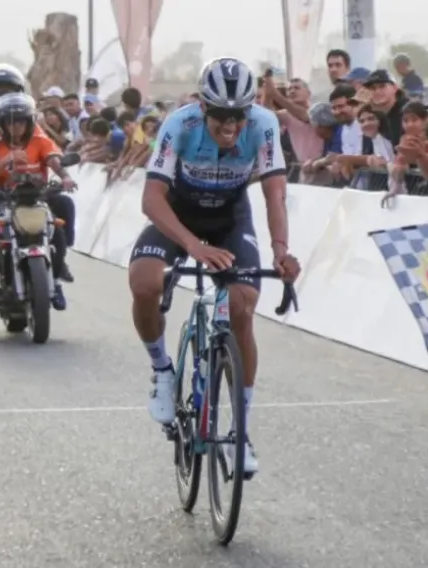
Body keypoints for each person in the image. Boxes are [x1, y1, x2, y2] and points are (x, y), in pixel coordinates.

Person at [128, 57, 301, 476]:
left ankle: (240, 433)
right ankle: (163, 371)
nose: (231, 125)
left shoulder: (262, 125)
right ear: (203, 108)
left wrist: (281, 250)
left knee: (242, 307)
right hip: (178, 215)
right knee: (145, 283)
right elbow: (151, 201)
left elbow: (275, 195)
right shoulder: (179, 125)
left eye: (238, 115)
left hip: (230, 218)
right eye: (221, 116)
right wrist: (193, 245)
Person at [0, 63, 76, 286]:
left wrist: (65, 175)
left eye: (22, 122)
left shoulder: (37, 134)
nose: (17, 126)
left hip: (33, 194)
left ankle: (59, 262)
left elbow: (52, 156)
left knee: (64, 209)